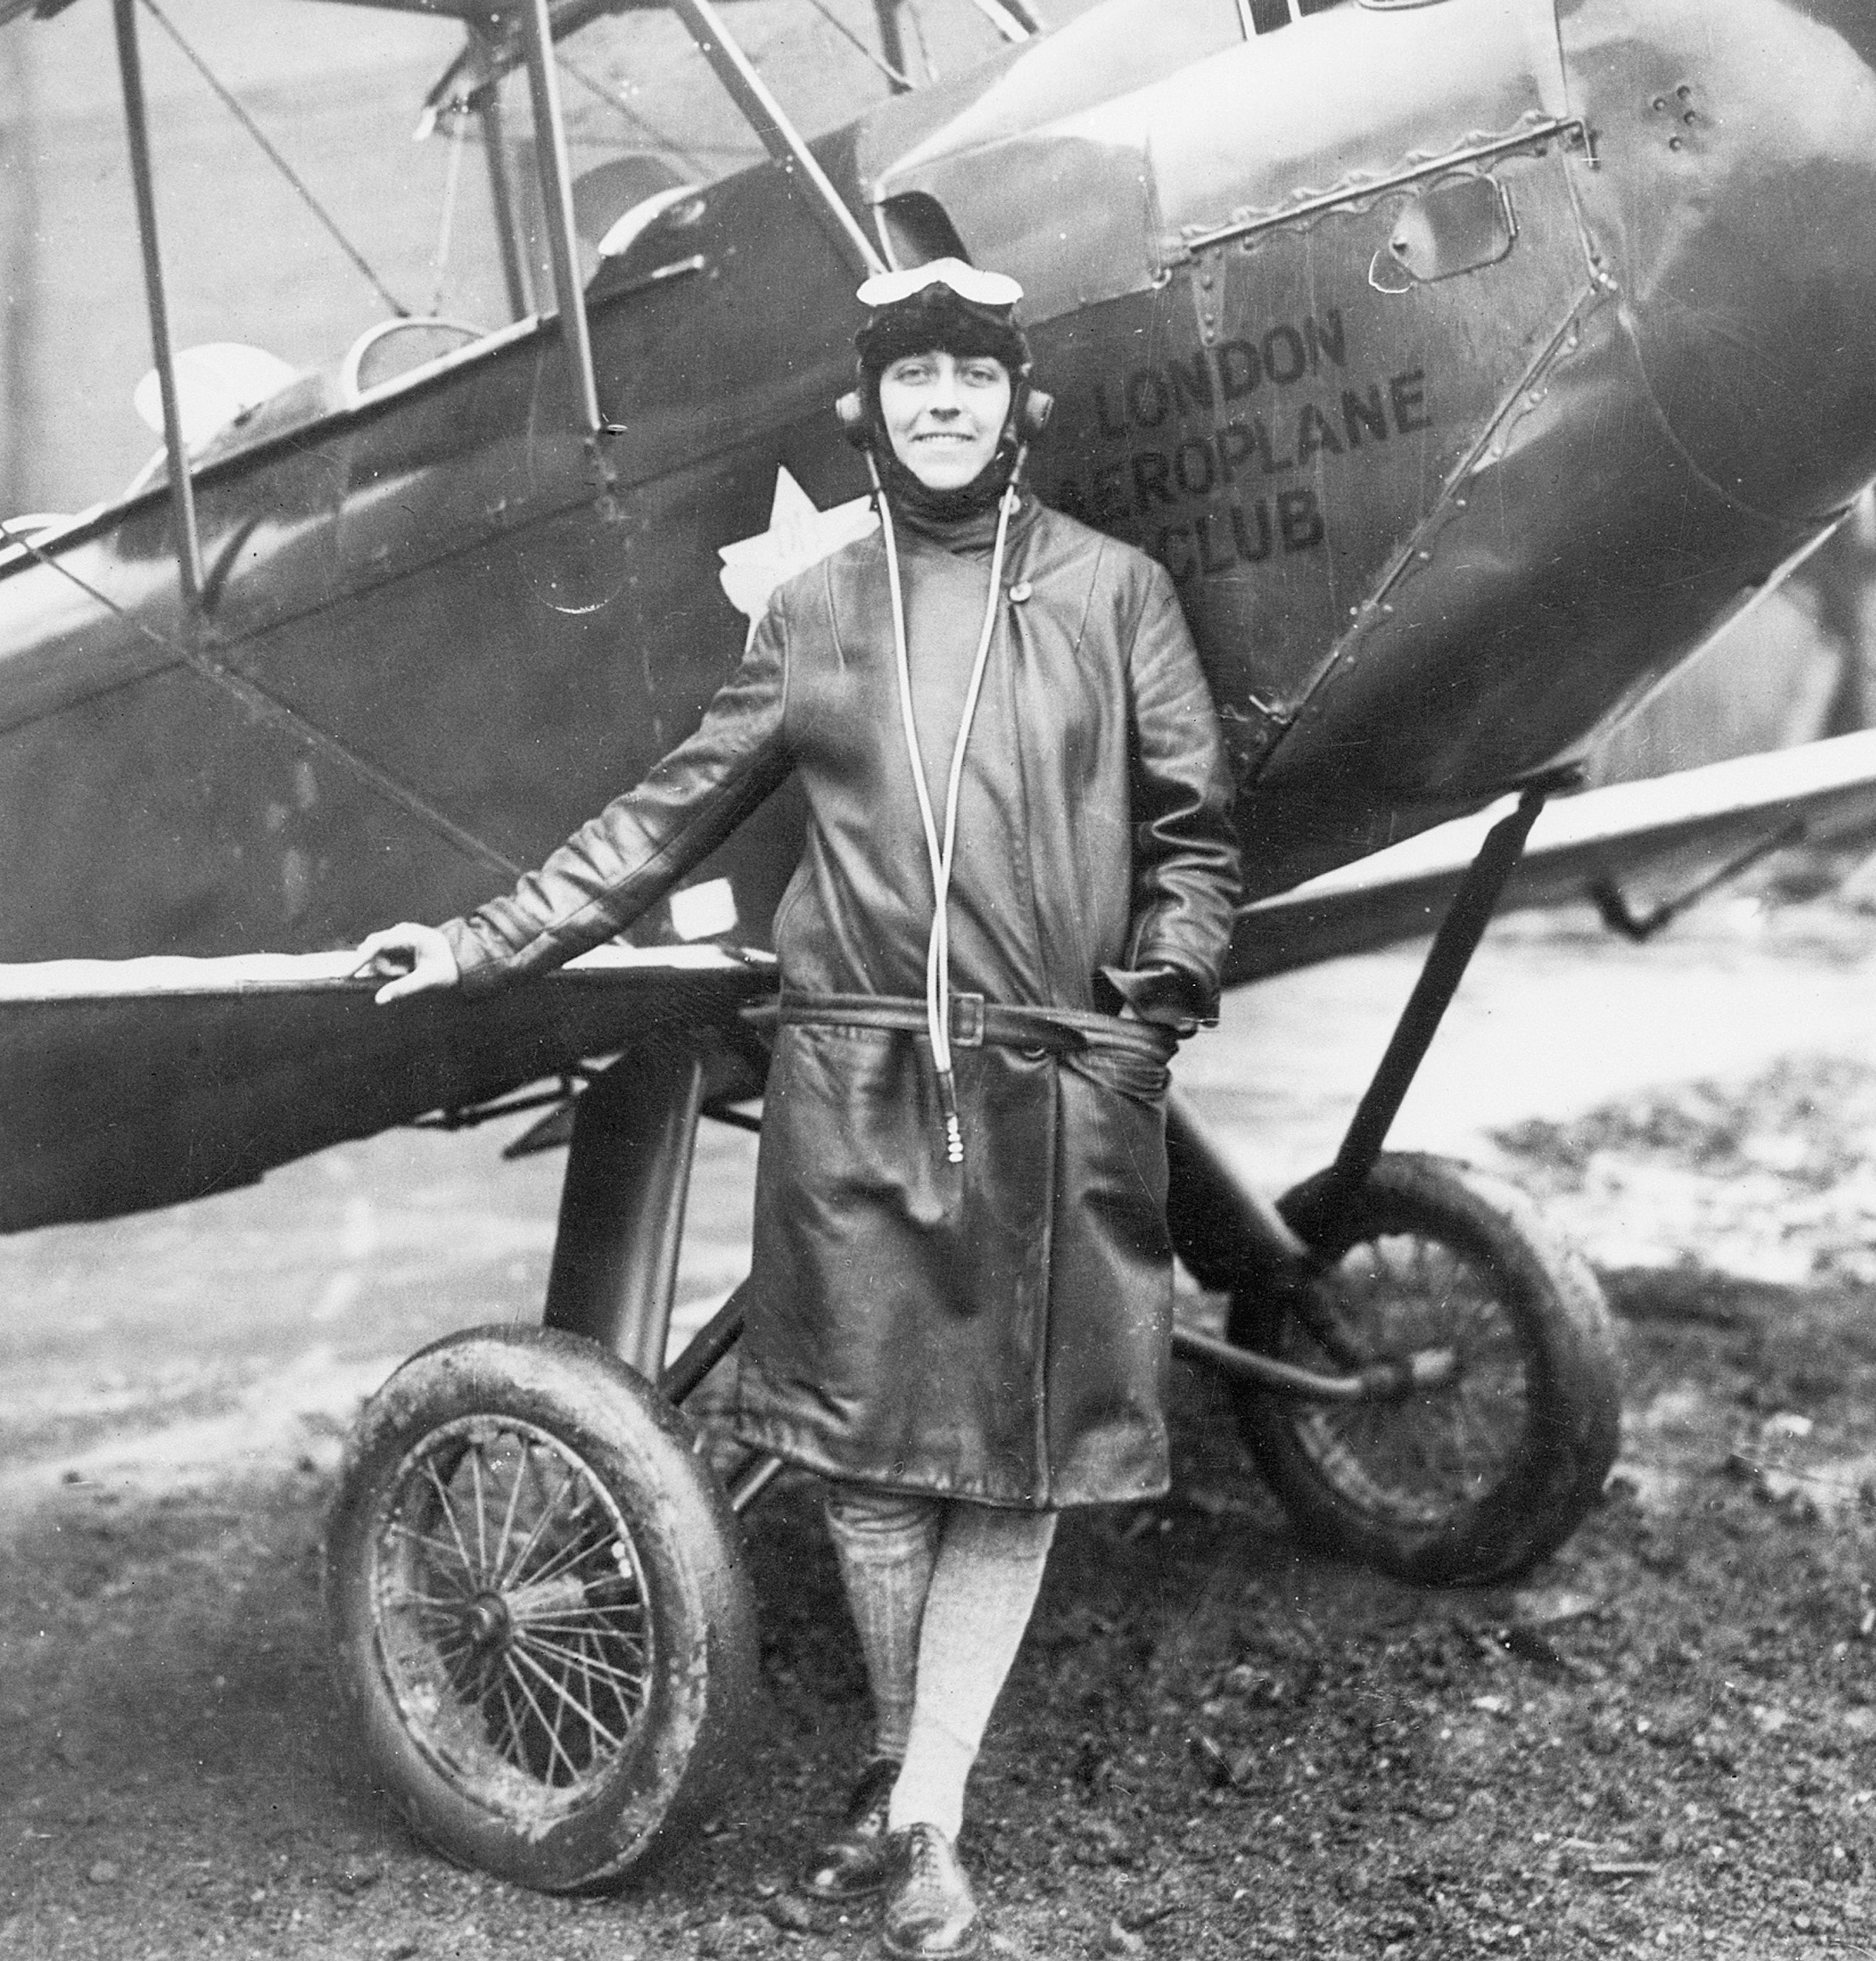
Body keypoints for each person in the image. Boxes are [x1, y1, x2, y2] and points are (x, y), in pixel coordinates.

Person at [359, 259, 1242, 1960]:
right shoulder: (817, 609)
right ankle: (920, 1793)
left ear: (1015, 403)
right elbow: (661, 821)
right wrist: (480, 938)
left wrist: (1147, 1027)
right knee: (864, 1466)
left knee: (1016, 1468)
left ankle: (922, 1815)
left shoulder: (1115, 593)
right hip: (848, 1076)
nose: (941, 406)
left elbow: (1197, 843)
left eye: (971, 378)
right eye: (911, 379)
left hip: (1054, 1078)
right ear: (871, 409)